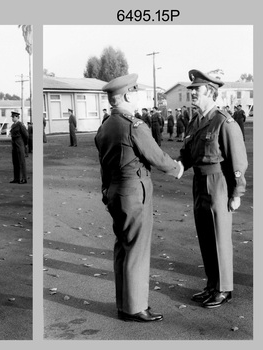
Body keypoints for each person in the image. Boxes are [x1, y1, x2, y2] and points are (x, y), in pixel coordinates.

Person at [95, 73, 182, 323]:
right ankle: (135, 308)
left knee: (123, 247)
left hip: (114, 191)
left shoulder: (105, 126)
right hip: (134, 191)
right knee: (137, 249)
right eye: (135, 92)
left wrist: (105, 190)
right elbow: (156, 155)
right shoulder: (133, 125)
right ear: (126, 96)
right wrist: (176, 168)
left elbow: (103, 164)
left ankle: (124, 305)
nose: (138, 96)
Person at [177, 69, 248, 309]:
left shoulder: (223, 121)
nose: (192, 95)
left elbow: (237, 161)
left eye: (196, 91)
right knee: (206, 236)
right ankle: (211, 284)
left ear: (210, 91)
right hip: (199, 182)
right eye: (192, 91)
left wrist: (237, 192)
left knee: (219, 238)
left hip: (218, 183)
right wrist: (176, 166)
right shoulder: (195, 121)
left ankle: (224, 289)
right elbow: (187, 154)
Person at [9, 111, 28, 184]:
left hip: (20, 143)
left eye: (13, 117)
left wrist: (24, 144)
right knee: (15, 162)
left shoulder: (20, 124)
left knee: (21, 162)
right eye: (12, 117)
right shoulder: (13, 125)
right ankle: (16, 178)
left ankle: (24, 178)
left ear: (17, 117)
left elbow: (26, 135)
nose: (12, 118)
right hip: (14, 144)